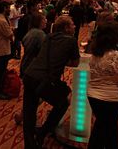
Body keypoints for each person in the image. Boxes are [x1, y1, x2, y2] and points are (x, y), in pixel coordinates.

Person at [23, 16, 80, 148]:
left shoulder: (49, 36)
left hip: (30, 74)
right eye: (72, 25)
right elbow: (75, 63)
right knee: (63, 102)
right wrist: (62, 59)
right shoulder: (71, 41)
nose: (75, 26)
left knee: (29, 112)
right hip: (45, 80)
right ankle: (43, 131)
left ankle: (30, 144)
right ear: (66, 28)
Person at [87, 21, 118, 149]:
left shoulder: (94, 54)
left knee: (107, 128)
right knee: (104, 130)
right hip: (110, 99)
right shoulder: (117, 56)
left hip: (93, 96)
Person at [20, 12, 47, 77]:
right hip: (33, 67)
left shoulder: (31, 31)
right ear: (39, 22)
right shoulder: (39, 34)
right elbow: (44, 50)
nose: (46, 21)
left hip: (26, 64)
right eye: (44, 19)